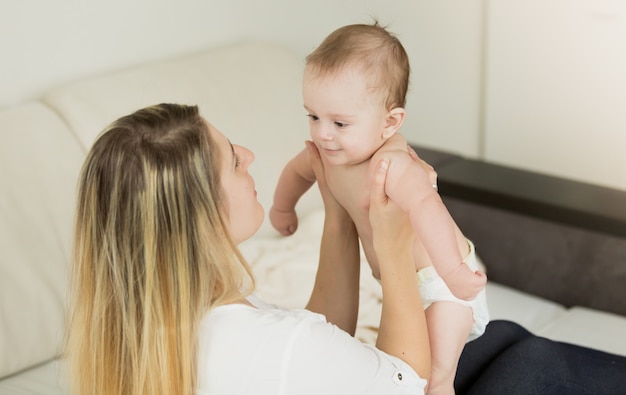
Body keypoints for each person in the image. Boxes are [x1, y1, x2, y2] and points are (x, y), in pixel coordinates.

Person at [64, 103, 432, 395]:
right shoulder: (270, 342)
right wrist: (394, 246)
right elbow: (408, 382)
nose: (248, 154)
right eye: (234, 161)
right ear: (204, 215)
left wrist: (339, 215)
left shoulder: (138, 331)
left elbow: (315, 356)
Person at [269, 22, 488, 394]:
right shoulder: (328, 154)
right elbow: (296, 172)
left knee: (434, 378)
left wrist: (453, 272)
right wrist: (282, 208)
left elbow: (427, 206)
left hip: (444, 286)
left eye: (339, 122)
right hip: (398, 282)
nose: (322, 133)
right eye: (313, 116)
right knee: (397, 364)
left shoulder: (393, 165)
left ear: (390, 123)